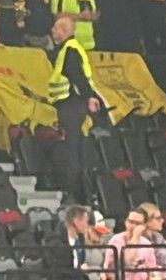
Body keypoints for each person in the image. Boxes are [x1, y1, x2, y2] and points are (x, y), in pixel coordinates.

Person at [47, 15, 103, 204]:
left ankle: (74, 193)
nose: (53, 31)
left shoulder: (70, 49)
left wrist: (89, 97)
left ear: (64, 30)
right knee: (74, 148)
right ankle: (79, 192)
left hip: (71, 105)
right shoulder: (71, 48)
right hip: (72, 104)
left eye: (56, 28)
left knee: (71, 149)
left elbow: (77, 76)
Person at [47, 205, 111, 275]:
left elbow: (80, 262)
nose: (87, 225)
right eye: (86, 221)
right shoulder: (56, 242)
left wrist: (81, 266)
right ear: (76, 221)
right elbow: (55, 267)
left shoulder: (80, 239)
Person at [103, 209, 157, 280]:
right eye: (131, 222)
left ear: (144, 226)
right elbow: (128, 261)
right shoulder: (115, 240)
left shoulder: (147, 244)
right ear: (126, 222)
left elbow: (152, 271)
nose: (133, 226)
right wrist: (135, 237)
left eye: (137, 224)